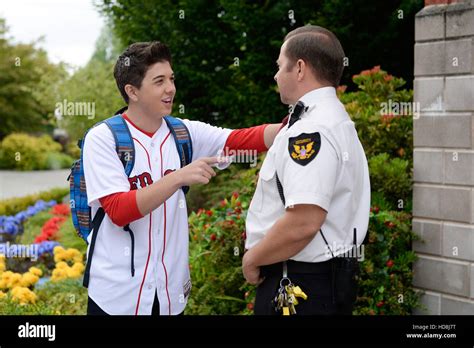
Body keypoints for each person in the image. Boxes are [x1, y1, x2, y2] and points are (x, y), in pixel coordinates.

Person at [83, 41, 281, 315]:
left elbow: (240, 139)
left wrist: (296, 124)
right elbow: (119, 210)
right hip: (116, 297)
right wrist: (177, 177)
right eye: (159, 81)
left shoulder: (183, 133)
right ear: (132, 91)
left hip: (169, 294)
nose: (171, 89)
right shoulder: (102, 138)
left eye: (172, 79)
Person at [242, 25, 370, 315]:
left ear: (299, 68)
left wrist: (252, 260)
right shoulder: (334, 119)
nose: (276, 75)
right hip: (322, 280)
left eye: (279, 65)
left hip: (299, 284)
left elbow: (304, 221)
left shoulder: (312, 128)